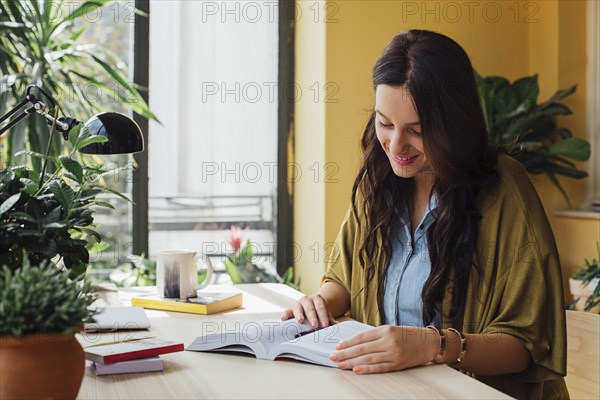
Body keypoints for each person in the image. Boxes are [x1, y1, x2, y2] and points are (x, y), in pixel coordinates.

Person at [281, 30, 568, 400]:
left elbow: (526, 344)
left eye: (416, 131)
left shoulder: (504, 188)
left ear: (454, 126)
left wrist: (433, 345)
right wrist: (320, 302)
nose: (396, 146)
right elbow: (344, 278)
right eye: (385, 123)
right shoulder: (378, 179)